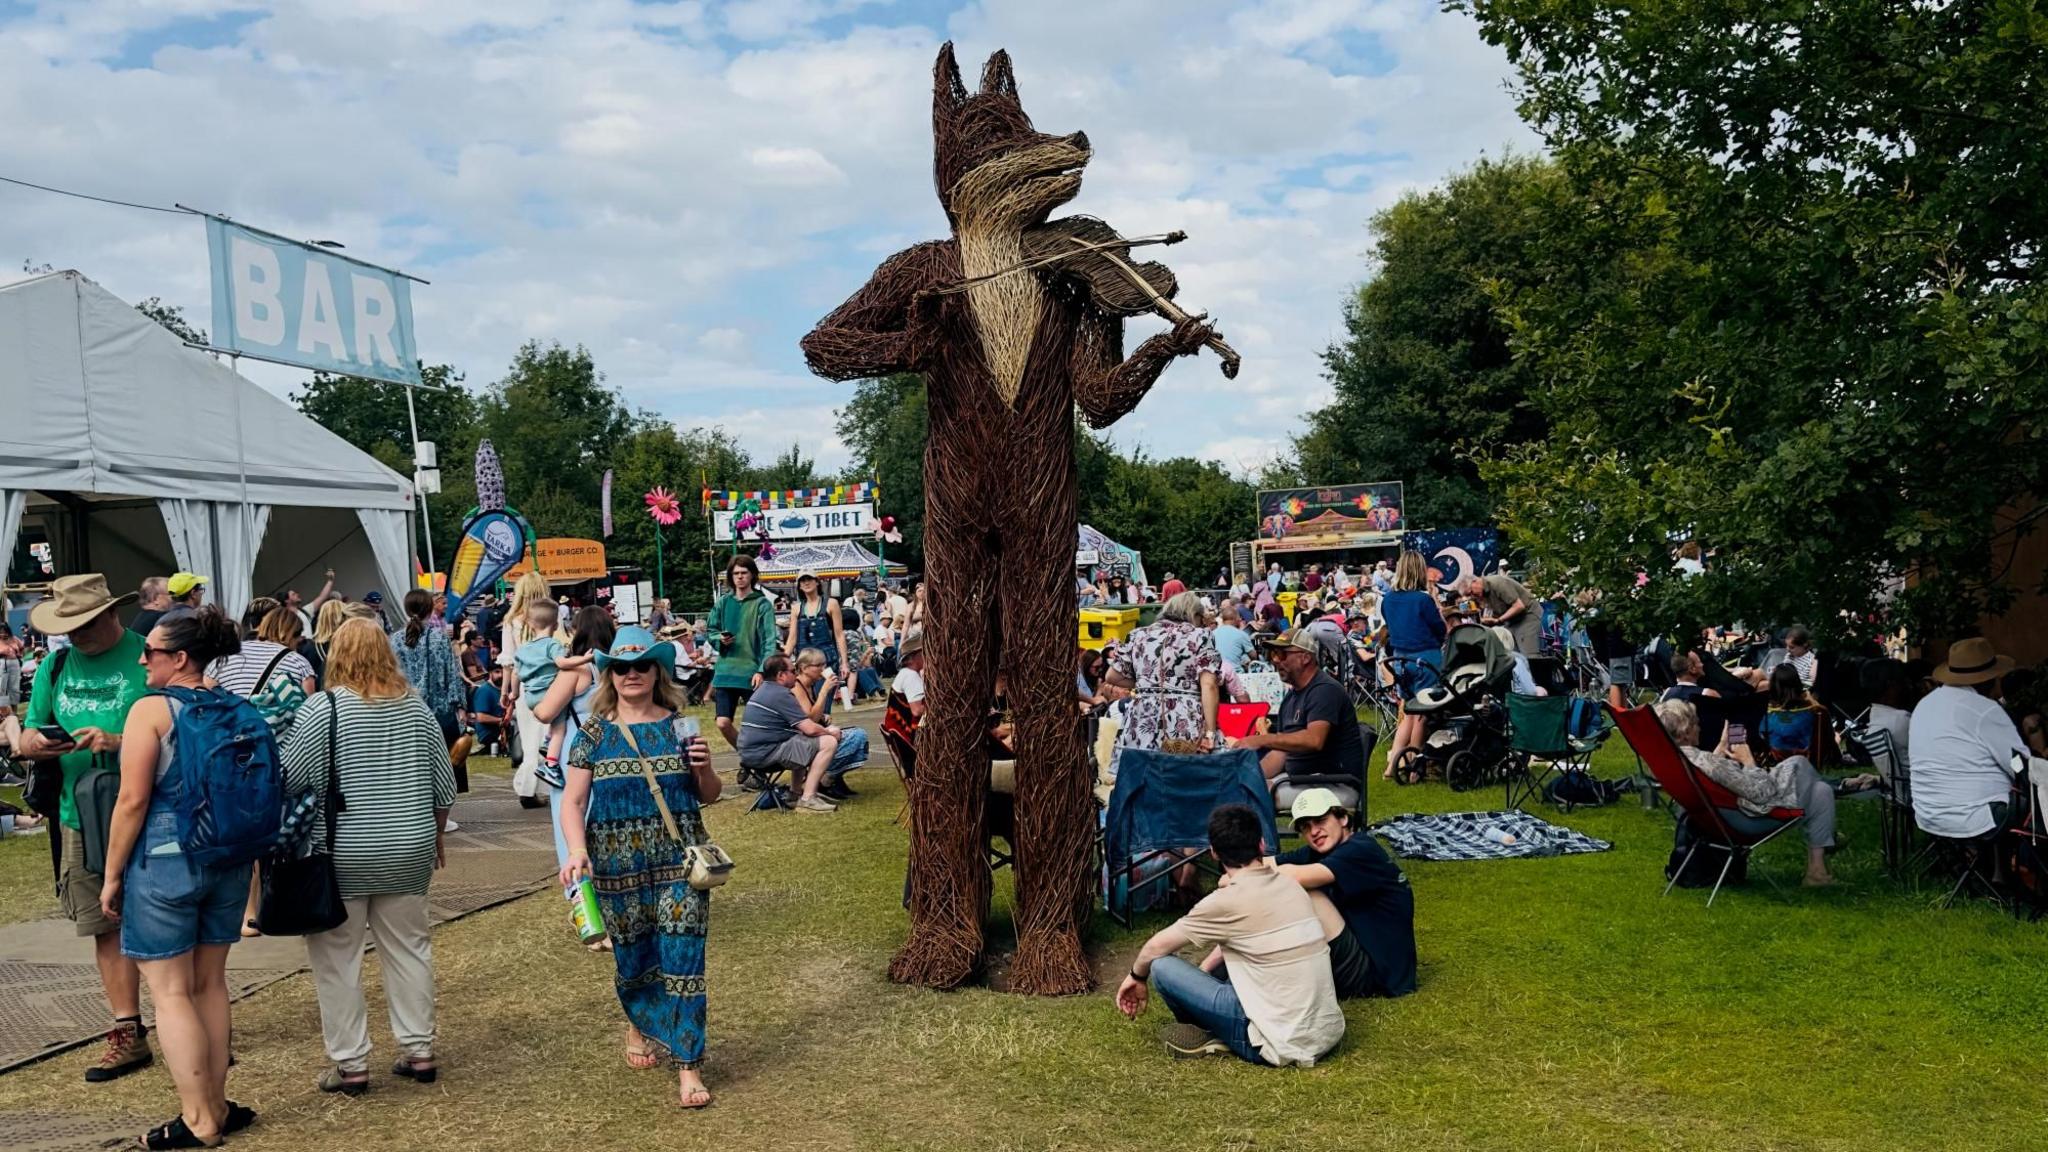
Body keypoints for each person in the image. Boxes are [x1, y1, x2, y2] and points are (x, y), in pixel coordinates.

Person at [99, 605, 262, 1148]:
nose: (143, 659)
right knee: (210, 983)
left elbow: (132, 799)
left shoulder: (151, 710)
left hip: (166, 857)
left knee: (169, 993)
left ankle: (198, 1120)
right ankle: (216, 1104)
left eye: (153, 652)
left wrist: (112, 873)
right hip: (228, 852)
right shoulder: (234, 705)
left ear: (180, 658)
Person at [282, 619, 456, 1096]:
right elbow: (444, 787)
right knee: (409, 949)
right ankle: (419, 1050)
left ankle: (351, 1062)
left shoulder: (323, 709)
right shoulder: (416, 708)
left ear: (336, 653)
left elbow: (292, 776)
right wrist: (435, 836)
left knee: (338, 960)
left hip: (342, 852)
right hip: (409, 846)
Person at [557, 627, 722, 1108]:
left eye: (642, 666)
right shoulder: (592, 734)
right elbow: (573, 801)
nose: (632, 674)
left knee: (684, 962)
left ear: (657, 672)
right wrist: (575, 849)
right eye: (622, 667)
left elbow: (708, 795)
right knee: (635, 962)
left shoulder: (679, 726)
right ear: (610, 675)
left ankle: (689, 1067)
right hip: (616, 867)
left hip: (678, 863)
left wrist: (705, 766)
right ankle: (638, 1023)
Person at [18, 574, 154, 1083]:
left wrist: (118, 740)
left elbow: (180, 728)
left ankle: (194, 1025)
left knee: (166, 921)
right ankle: (127, 1031)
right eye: (66, 628)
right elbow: (31, 728)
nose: (74, 636)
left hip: (150, 809)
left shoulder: (150, 656)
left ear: (109, 615)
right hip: (81, 814)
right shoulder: (54, 665)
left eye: (82, 626)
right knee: (105, 924)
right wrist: (35, 743)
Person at [1114, 804, 1345, 1066]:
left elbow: (1156, 947)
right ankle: (1220, 1025)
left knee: (1163, 967)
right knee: (1237, 960)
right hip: (1326, 1032)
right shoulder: (1291, 884)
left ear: (1213, 853)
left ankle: (1212, 1032)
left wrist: (1136, 976)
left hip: (1277, 1042)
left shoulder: (1224, 902)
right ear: (1261, 845)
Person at [1655, 698, 1837, 885]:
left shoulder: (1676, 760)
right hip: (1747, 819)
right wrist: (1748, 759)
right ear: (1685, 733)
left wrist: (1721, 747)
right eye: (1696, 724)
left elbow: (1708, 772)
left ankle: (1817, 872)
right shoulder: (1707, 763)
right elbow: (1763, 793)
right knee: (1799, 763)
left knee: (1821, 791)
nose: (1699, 728)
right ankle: (1830, 839)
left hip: (1714, 819)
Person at [1274, 788, 1417, 999]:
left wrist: (1245, 876)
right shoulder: (1321, 851)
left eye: (1320, 820)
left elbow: (1293, 877)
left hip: (1376, 975)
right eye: (1306, 827)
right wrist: (1240, 870)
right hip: (1363, 956)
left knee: (1306, 891)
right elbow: (1266, 865)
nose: (1314, 832)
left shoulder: (1360, 850)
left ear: (1342, 818)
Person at [1908, 637, 2024, 841]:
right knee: (2037, 801)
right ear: (1987, 679)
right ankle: (2020, 867)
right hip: (1979, 816)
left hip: (1929, 814)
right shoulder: (1984, 709)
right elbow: (2018, 764)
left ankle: (1997, 868)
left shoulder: (1924, 705)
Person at [533, 608, 616, 885]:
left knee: (571, 816)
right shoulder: (615, 666)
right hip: (613, 745)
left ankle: (582, 894)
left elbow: (545, 712)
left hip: (576, 748)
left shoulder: (577, 668)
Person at [1233, 629, 1366, 788]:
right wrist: (1247, 776)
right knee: (1242, 787)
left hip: (1332, 783)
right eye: (1273, 654)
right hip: (1302, 780)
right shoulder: (1291, 697)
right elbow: (1281, 752)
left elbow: (1314, 740)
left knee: (1255, 794)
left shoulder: (1324, 691)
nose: (1275, 660)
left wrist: (1263, 740)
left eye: (1282, 654)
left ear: (1305, 657)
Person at [1103, 591, 1222, 758]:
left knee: (1144, 775)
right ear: (1194, 614)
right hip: (1184, 718)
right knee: (1189, 774)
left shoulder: (1138, 635)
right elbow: (1209, 685)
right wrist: (1210, 732)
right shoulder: (1200, 636)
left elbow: (1112, 677)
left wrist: (1148, 684)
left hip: (1142, 718)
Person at [739, 653, 858, 812]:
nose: (796, 674)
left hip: (753, 754)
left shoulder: (765, 690)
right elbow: (809, 727)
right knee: (828, 742)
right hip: (765, 755)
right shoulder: (780, 694)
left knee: (802, 739)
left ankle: (795, 793)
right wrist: (830, 733)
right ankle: (808, 799)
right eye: (792, 670)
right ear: (781, 675)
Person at [1379, 550, 1447, 780]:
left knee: (1407, 711)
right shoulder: (1423, 600)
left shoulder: (1387, 599)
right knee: (1422, 715)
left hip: (1399, 660)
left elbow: (1389, 627)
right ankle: (1414, 767)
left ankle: (1392, 766)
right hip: (1425, 658)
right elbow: (1439, 629)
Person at [708, 555, 778, 751]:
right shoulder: (722, 603)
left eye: (744, 573)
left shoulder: (762, 604)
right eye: (736, 573)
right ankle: (748, 756)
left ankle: (759, 759)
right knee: (722, 722)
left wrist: (762, 670)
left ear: (752, 575)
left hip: (751, 673)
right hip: (725, 673)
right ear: (731, 576)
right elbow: (710, 631)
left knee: (759, 726)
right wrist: (719, 639)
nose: (739, 577)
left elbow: (769, 641)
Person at [497, 572, 554, 807]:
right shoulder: (551, 617)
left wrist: (506, 692)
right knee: (547, 739)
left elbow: (509, 662)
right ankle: (537, 786)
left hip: (523, 689)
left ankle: (527, 788)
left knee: (531, 740)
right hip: (550, 686)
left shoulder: (512, 621)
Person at [789, 647, 872, 798]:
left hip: (811, 735)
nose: (823, 669)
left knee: (858, 735)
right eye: (818, 665)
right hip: (800, 740)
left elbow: (814, 715)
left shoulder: (810, 685)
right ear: (804, 667)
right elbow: (810, 719)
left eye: (824, 665)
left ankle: (830, 778)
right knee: (856, 737)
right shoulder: (797, 686)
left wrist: (824, 717)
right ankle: (825, 779)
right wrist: (824, 692)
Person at [783, 570, 851, 707]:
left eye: (809, 579)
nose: (806, 583)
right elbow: (792, 639)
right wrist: (782, 662)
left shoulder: (831, 603)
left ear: (817, 582)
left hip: (827, 662)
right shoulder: (796, 608)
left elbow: (839, 635)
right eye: (803, 580)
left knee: (823, 702)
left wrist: (844, 663)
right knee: (804, 704)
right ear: (799, 586)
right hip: (804, 664)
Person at [1860, 658, 1916, 784]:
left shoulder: (1876, 720)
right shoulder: (1902, 720)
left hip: (1902, 793)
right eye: (1904, 681)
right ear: (1892, 686)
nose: (1909, 686)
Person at [1465, 571, 1539, 656]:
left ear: (1475, 582)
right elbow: (1498, 611)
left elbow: (1519, 606)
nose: (1472, 596)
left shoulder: (1497, 583)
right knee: (1511, 654)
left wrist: (1498, 620)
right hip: (1511, 621)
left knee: (1529, 654)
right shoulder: (1484, 594)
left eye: (1471, 592)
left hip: (1527, 615)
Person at [1758, 663, 1822, 762]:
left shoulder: (1768, 713)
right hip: (1807, 758)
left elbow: (1762, 733)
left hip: (1777, 757)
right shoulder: (1815, 710)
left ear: (1773, 685)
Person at [470, 665, 506, 756]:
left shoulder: (504, 689)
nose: (501, 675)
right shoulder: (485, 690)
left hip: (501, 730)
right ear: (490, 673)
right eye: (497, 672)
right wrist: (502, 721)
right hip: (489, 734)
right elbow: (480, 717)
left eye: (503, 672)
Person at [1211, 602, 1255, 671]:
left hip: (1216, 673)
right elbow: (1253, 656)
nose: (1240, 620)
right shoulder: (1241, 634)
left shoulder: (1212, 634)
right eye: (1239, 617)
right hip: (1235, 673)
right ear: (1235, 618)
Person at [1076, 647, 1109, 711]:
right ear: (1087, 665)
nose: (1100, 669)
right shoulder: (1079, 677)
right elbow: (1091, 702)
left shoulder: (1092, 678)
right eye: (1097, 667)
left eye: (1102, 666)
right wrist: (1099, 690)